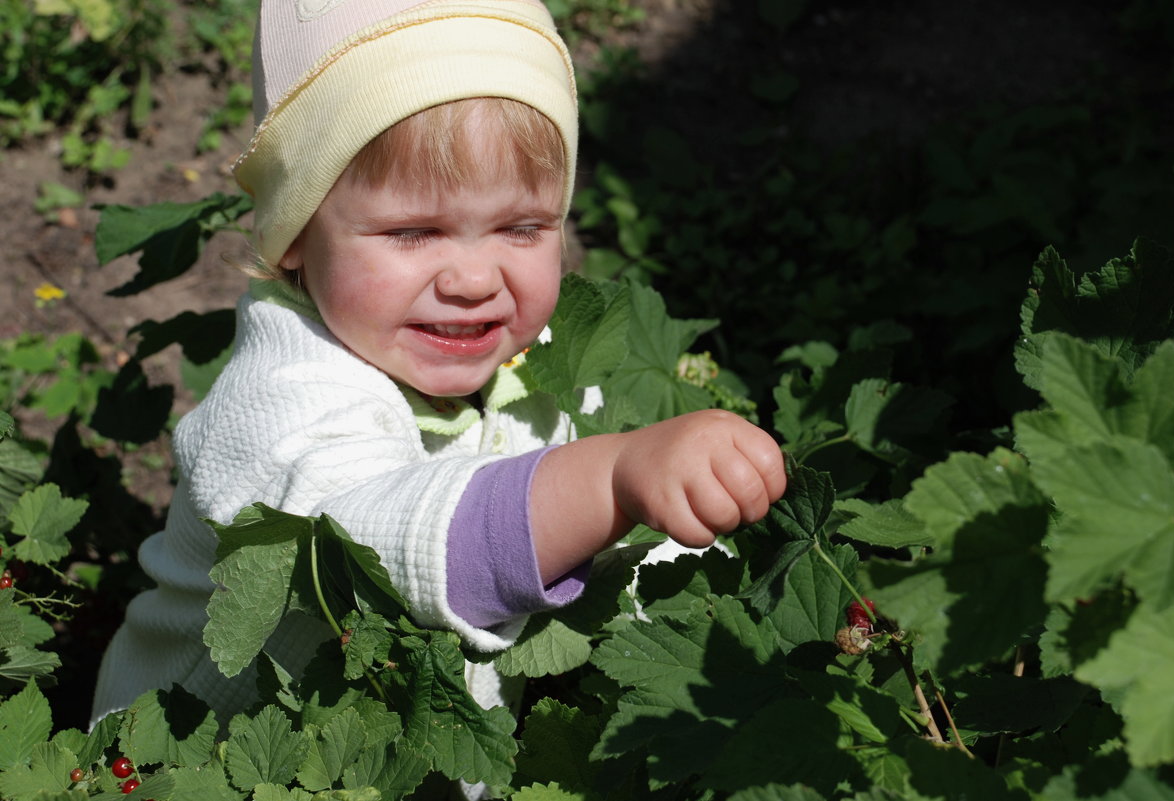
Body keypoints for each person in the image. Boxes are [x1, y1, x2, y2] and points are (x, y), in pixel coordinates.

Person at [90, 0, 785, 731]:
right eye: (413, 232)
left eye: (522, 227)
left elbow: (592, 530)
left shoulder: (523, 363)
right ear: (293, 233)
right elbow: (389, 549)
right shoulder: (279, 402)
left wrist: (683, 513)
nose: (473, 280)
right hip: (206, 755)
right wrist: (613, 476)